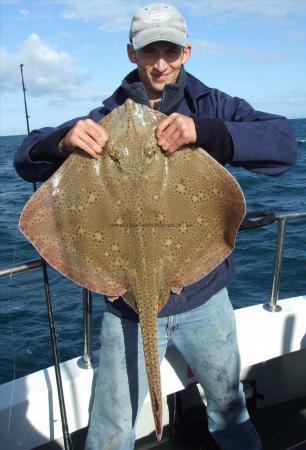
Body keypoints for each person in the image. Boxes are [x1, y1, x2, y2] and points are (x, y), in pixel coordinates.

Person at [14, 3, 297, 450]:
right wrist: (61, 140)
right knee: (110, 431)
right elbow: (25, 159)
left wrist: (208, 132)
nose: (160, 62)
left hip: (205, 298)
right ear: (132, 54)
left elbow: (284, 146)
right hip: (126, 309)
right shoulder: (107, 113)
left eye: (169, 50)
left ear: (186, 52)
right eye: (149, 51)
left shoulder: (212, 104)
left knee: (230, 412)